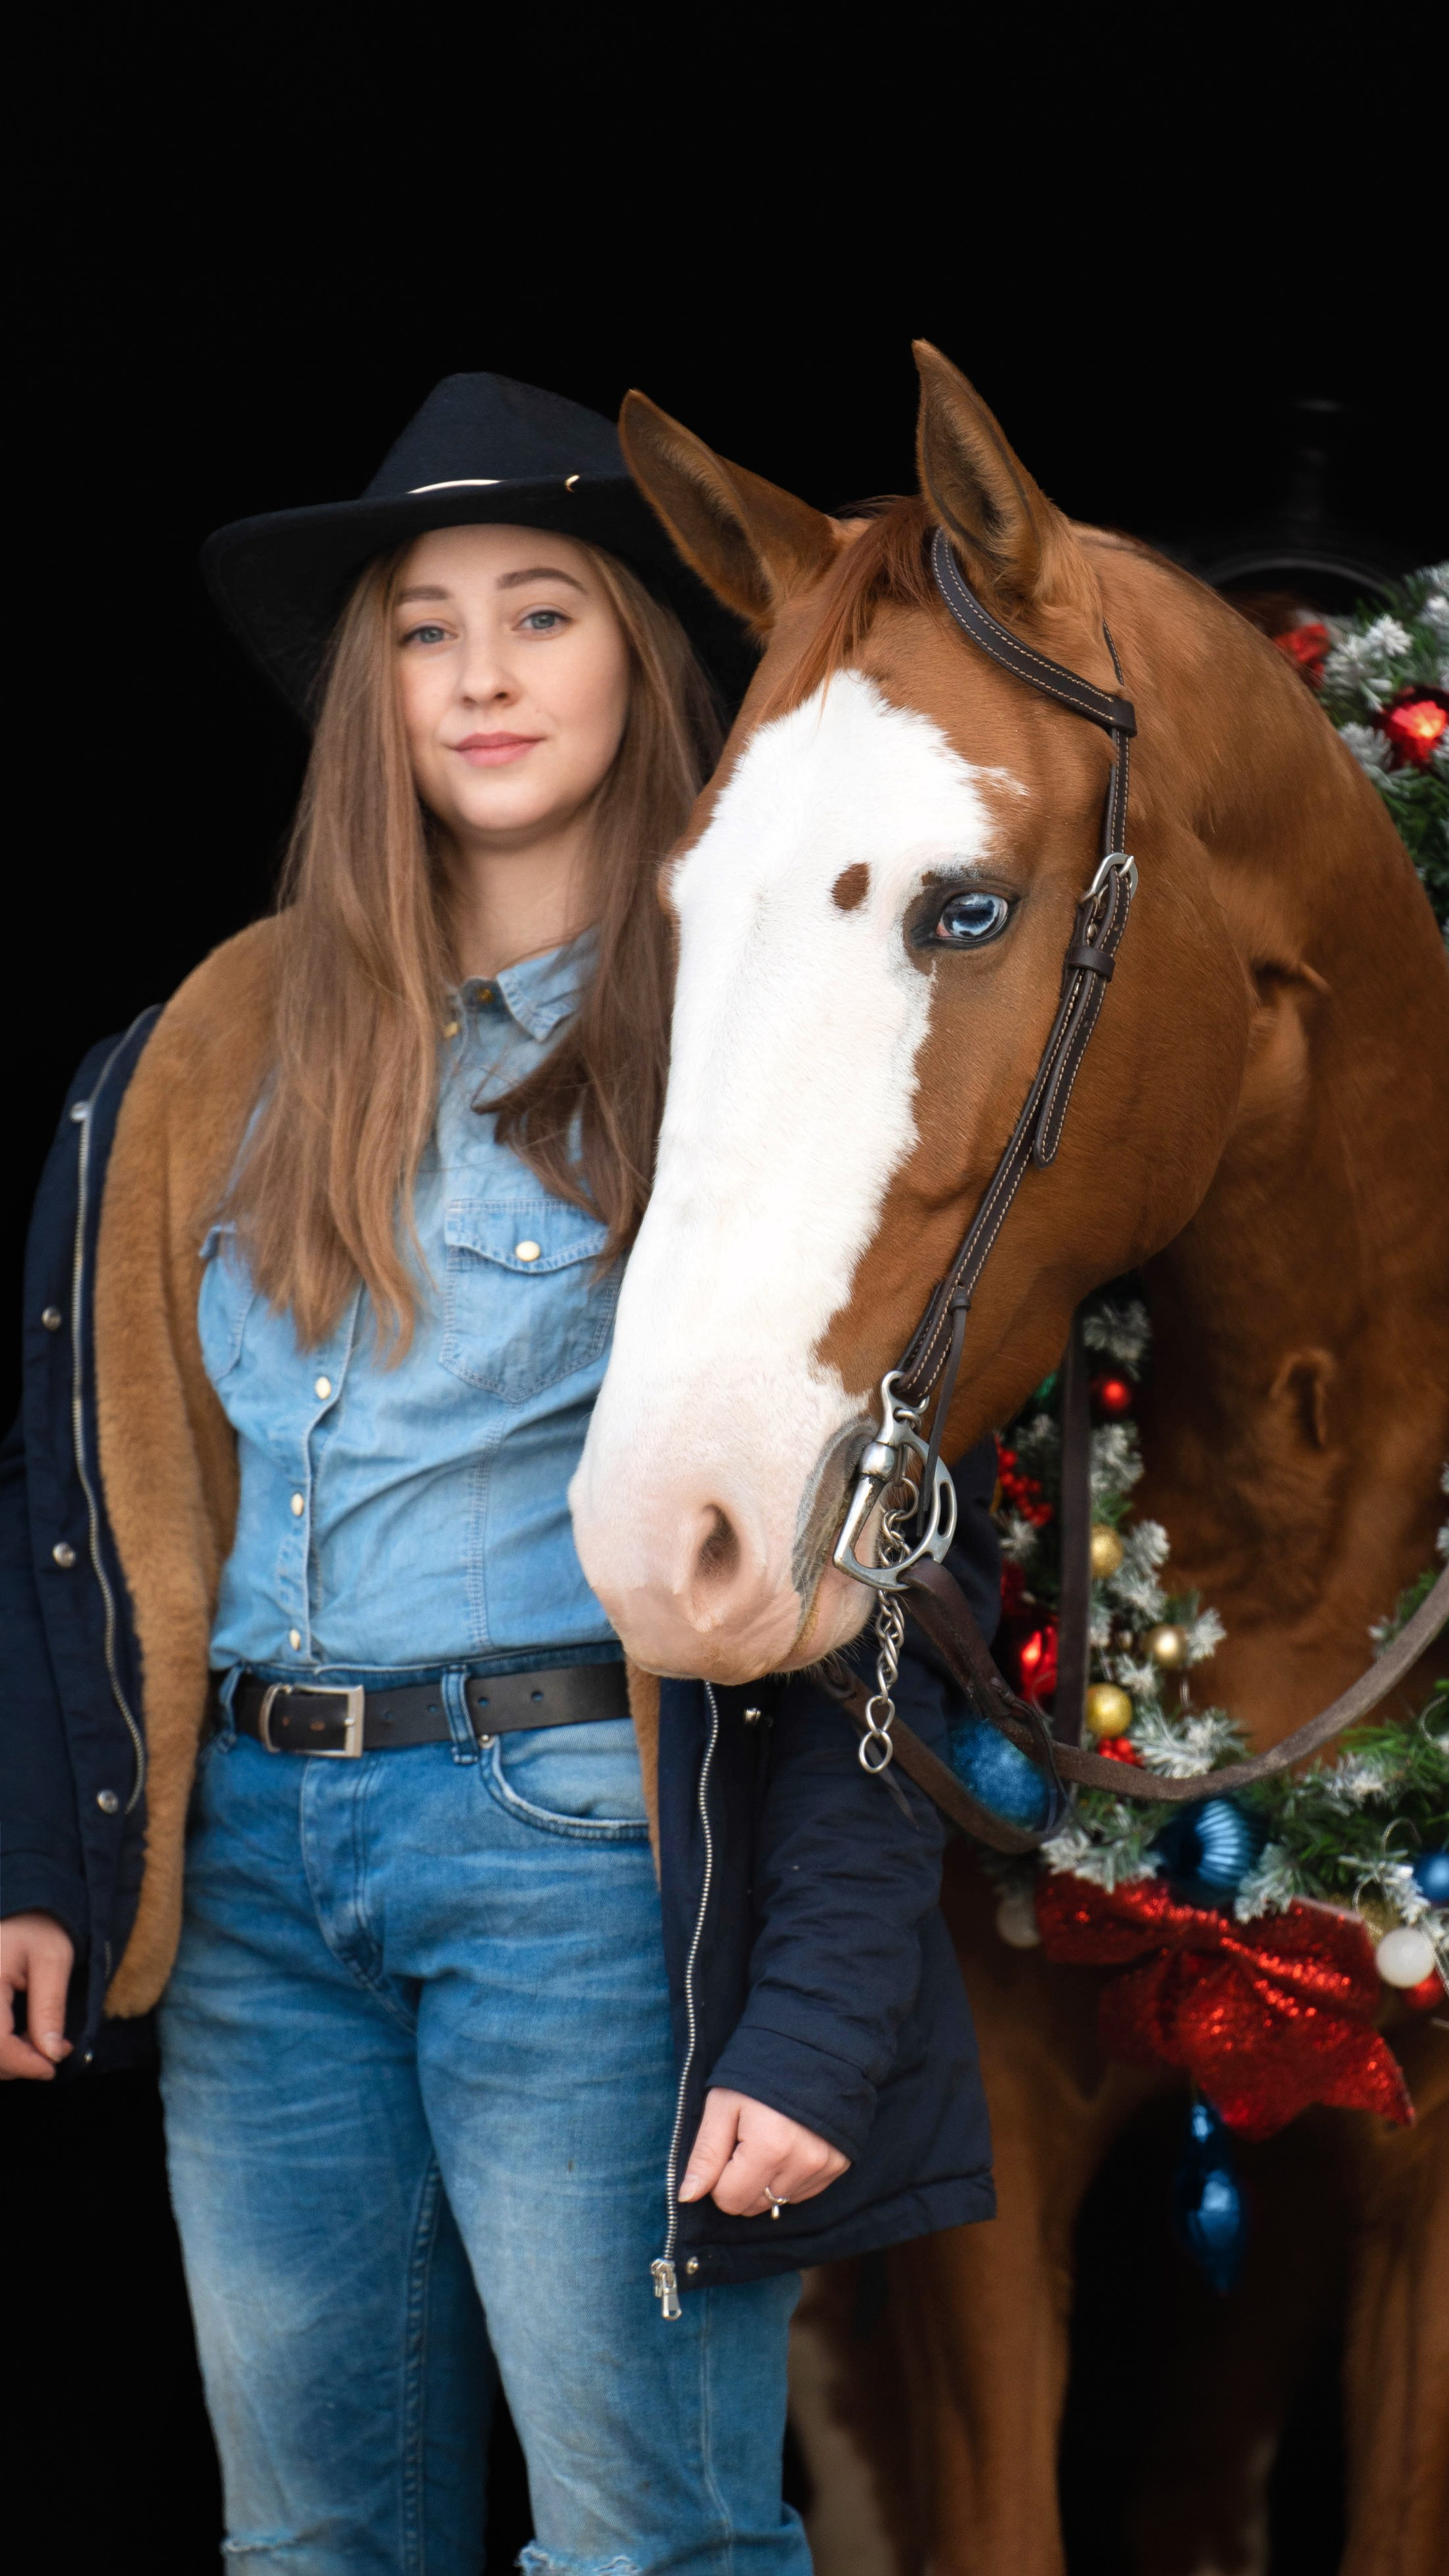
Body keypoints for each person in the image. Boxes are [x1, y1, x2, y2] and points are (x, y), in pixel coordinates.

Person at [0, 372, 998, 2573]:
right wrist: (43, 1856)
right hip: (256, 1872)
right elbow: (85, 1477)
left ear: (638, 660)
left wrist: (818, 2010)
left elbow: (882, 1542)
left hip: (578, 1856)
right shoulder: (216, 1047)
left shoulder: (758, 1037)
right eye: (425, 628)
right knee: (310, 2545)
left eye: (538, 613)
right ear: (371, 693)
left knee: (643, 2544)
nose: (477, 674)